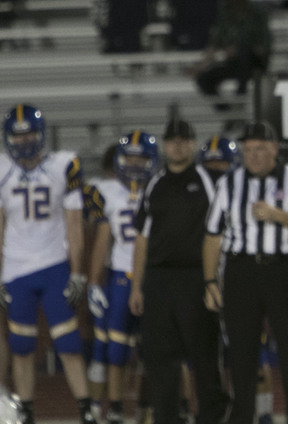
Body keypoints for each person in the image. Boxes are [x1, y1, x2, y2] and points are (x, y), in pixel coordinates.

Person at [202, 120, 288, 424]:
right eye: (248, 150)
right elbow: (212, 234)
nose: (254, 156)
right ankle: (242, 417)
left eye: (260, 149)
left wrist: (279, 216)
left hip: (285, 270)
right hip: (241, 271)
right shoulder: (228, 184)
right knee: (242, 354)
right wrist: (209, 281)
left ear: (274, 149)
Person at [0, 104, 97, 424]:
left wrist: (79, 273)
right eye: (18, 134)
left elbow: (73, 222)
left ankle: (86, 409)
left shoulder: (63, 164)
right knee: (22, 344)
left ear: (40, 135)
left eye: (29, 133)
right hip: (15, 268)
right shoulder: (2, 169)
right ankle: (25, 411)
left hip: (55, 263)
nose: (24, 140)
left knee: (69, 343)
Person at [128, 119, 229, 424]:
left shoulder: (208, 180)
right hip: (159, 281)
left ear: (192, 144)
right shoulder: (155, 184)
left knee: (204, 358)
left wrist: (215, 281)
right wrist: (137, 286)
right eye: (173, 140)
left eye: (184, 140)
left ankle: (211, 417)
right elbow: (142, 238)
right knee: (161, 362)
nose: (178, 145)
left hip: (196, 277)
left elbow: (220, 232)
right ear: (165, 144)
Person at [85, 131, 159, 424]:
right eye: (130, 157)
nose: (136, 163)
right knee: (115, 348)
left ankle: (149, 408)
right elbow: (103, 240)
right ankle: (113, 408)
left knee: (154, 350)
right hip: (120, 275)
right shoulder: (107, 190)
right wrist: (92, 283)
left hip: (154, 276)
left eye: (141, 158)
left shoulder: (160, 187)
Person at [188, 0, 271, 96]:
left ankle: (241, 92)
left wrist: (240, 49)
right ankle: (224, 107)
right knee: (203, 79)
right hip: (232, 63)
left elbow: (264, 46)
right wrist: (200, 66)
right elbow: (214, 44)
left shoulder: (257, 14)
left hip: (255, 64)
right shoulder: (224, 15)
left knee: (243, 52)